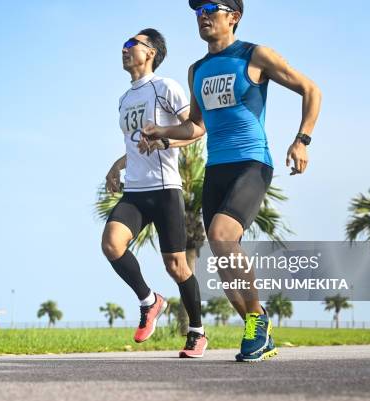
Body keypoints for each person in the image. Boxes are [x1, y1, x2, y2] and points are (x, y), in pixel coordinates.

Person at [142, 1, 322, 362]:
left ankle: (256, 319)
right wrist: (163, 132)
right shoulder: (198, 70)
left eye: (211, 7)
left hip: (252, 163)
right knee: (222, 257)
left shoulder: (255, 55)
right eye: (197, 10)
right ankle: (259, 328)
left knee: (224, 236)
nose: (202, 15)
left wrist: (302, 140)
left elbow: (311, 89)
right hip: (216, 169)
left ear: (233, 17)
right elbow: (197, 124)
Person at [101, 28, 208, 358]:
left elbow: (197, 129)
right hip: (134, 191)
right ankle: (150, 301)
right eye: (123, 43)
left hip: (164, 190)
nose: (125, 47)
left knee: (176, 267)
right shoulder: (124, 98)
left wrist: (165, 141)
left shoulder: (166, 88)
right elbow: (133, 145)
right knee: (111, 244)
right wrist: (115, 166)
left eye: (132, 43)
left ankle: (197, 331)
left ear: (150, 53)